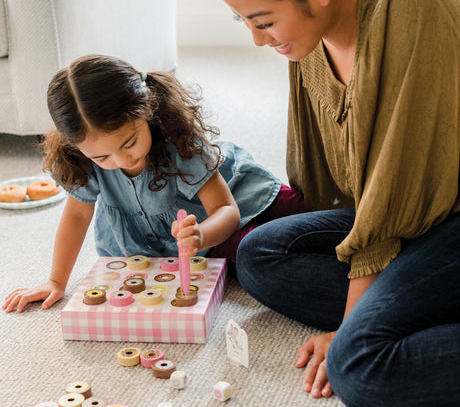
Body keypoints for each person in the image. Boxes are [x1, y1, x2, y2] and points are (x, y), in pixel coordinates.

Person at [215, 0, 460, 406]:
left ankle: (388, 318)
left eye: (264, 21)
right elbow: (348, 193)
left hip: (446, 211)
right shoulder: (311, 42)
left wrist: (349, 325)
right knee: (259, 254)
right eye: (243, 21)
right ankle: (411, 305)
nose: (257, 40)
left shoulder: (411, 5)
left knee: (358, 364)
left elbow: (393, 192)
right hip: (409, 220)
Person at [3, 54, 306, 314]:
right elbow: (77, 215)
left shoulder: (180, 141)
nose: (121, 160)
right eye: (102, 157)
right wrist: (56, 281)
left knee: (302, 213)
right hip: (196, 242)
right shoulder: (82, 160)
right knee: (259, 256)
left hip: (231, 198)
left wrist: (201, 234)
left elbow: (227, 210)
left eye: (129, 142)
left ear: (146, 109)